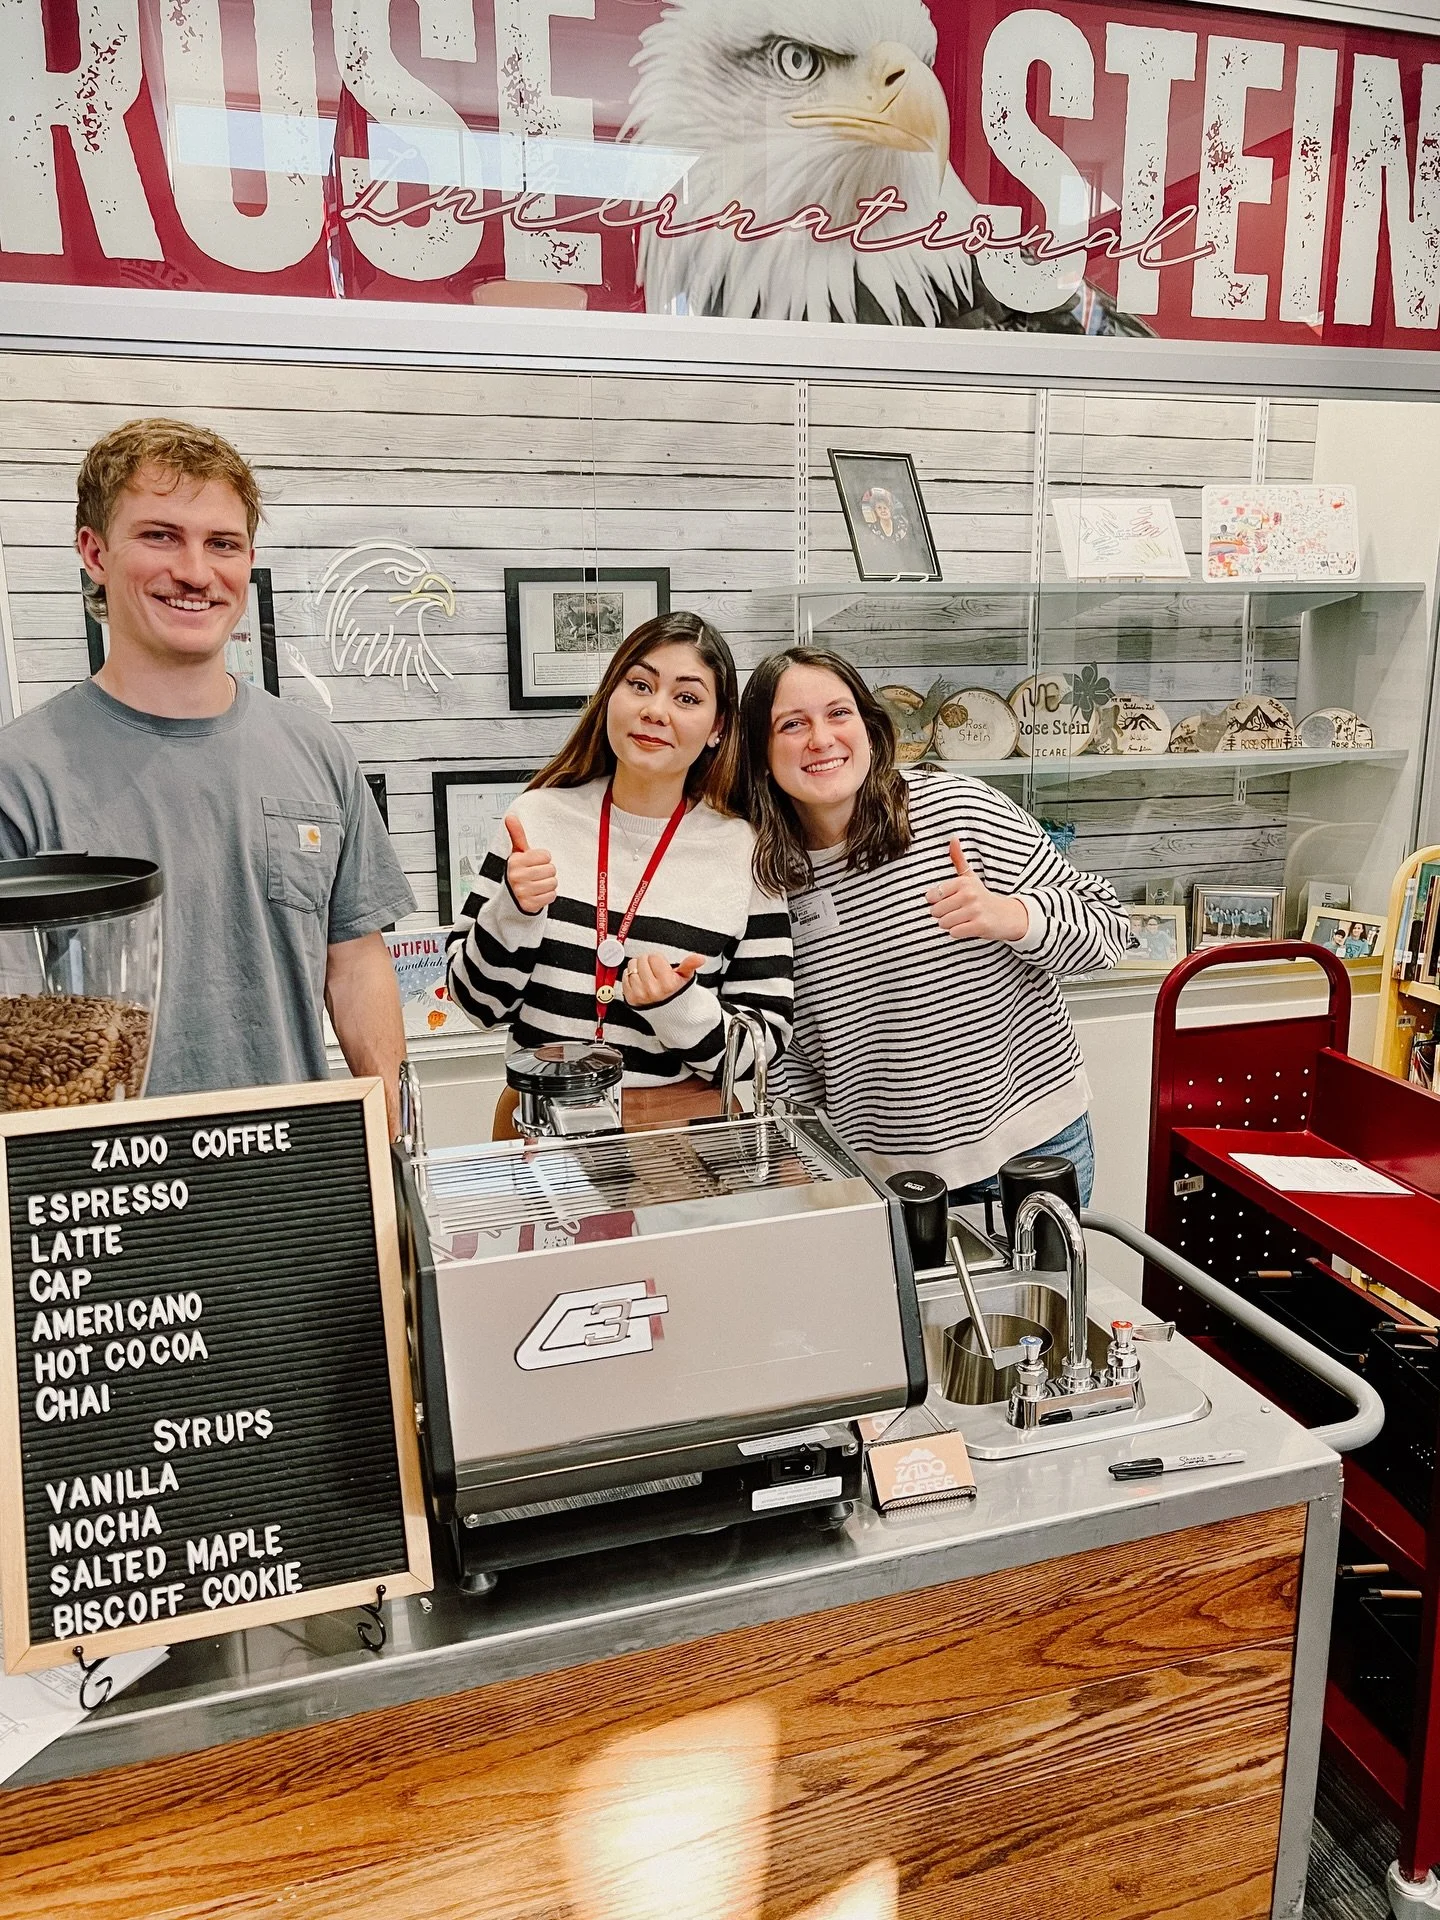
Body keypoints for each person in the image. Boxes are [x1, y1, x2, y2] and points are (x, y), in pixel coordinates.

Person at [0, 418, 414, 1130]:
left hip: (295, 1185)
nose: (195, 571)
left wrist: (401, 1145)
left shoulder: (315, 750)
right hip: (113, 1200)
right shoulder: (21, 776)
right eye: (161, 536)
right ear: (94, 552)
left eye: (221, 543)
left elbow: (354, 965)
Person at [739, 648, 1129, 1205]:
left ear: (870, 728)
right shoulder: (768, 873)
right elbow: (792, 1050)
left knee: (1047, 1296)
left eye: (839, 714)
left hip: (1033, 1149)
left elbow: (1109, 930)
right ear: (761, 751)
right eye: (792, 724)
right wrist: (807, 1166)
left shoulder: (957, 809)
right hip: (883, 1179)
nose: (820, 739)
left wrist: (1012, 916)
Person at [446, 611, 792, 1103]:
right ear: (610, 695)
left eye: (687, 697)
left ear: (717, 728)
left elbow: (763, 1048)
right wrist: (513, 912)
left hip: (675, 1147)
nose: (656, 711)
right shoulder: (535, 819)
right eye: (640, 685)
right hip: (542, 1137)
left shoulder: (747, 852)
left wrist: (676, 1006)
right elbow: (476, 1004)